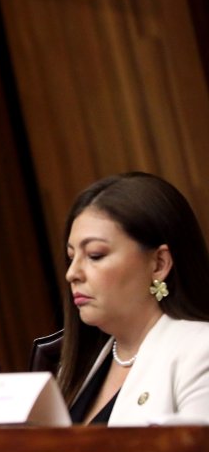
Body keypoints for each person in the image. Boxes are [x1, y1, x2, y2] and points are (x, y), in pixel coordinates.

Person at [60, 172, 209, 425]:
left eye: (95, 255)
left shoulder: (200, 351)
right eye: (71, 256)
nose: (72, 273)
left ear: (159, 264)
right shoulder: (74, 368)